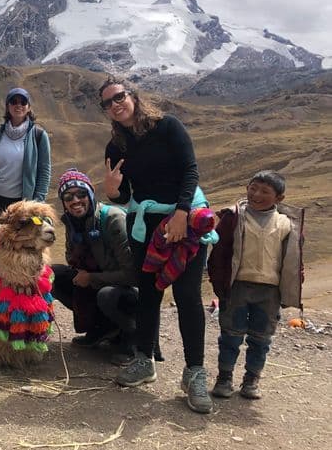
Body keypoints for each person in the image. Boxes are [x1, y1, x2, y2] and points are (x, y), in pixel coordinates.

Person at [100, 76, 215, 414]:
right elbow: (123, 194)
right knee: (149, 293)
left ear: (132, 95)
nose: (115, 104)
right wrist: (111, 191)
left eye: (119, 96)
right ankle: (144, 360)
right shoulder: (115, 146)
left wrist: (181, 213)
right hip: (146, 223)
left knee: (187, 295)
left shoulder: (168, 127)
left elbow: (189, 170)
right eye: (107, 102)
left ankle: (194, 372)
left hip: (187, 218)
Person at [208, 170, 304, 400]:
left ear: (279, 198)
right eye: (253, 188)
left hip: (269, 291)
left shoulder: (286, 224)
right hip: (237, 287)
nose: (256, 194)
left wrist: (294, 284)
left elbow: (293, 258)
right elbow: (219, 254)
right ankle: (224, 378)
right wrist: (220, 285)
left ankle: (251, 380)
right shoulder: (234, 217)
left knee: (261, 339)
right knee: (230, 335)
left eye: (264, 191)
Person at [49, 169, 139, 365]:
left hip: (127, 289)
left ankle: (134, 338)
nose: (75, 200)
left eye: (81, 194)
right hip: (100, 282)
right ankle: (101, 328)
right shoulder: (72, 224)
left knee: (106, 294)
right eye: (68, 196)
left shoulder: (113, 219)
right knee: (52, 275)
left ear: (90, 194)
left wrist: (91, 278)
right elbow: (72, 258)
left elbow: (133, 274)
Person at [0, 87, 51, 251]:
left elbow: (44, 172)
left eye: (23, 102)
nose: (18, 105)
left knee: (16, 250)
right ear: (7, 106)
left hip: (21, 205)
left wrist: (36, 204)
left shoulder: (39, 136)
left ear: (28, 107)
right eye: (14, 101)